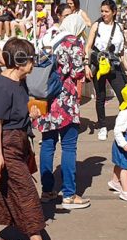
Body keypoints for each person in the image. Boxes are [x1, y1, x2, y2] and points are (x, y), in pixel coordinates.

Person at [0, 38, 63, 240]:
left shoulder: (20, 82)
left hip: (17, 141)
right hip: (4, 144)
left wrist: (32, 112)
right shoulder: (2, 85)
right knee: (26, 192)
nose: (33, 63)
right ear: (19, 62)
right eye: (30, 59)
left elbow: (18, 108)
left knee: (1, 189)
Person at [35, 16, 90, 209]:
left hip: (45, 97)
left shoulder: (45, 38)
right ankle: (69, 194)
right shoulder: (72, 42)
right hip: (65, 98)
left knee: (47, 145)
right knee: (68, 146)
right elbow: (77, 72)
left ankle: (47, 190)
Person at [84, 0, 127, 141]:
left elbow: (121, 53)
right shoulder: (97, 25)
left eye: (106, 11)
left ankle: (124, 126)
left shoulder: (119, 27)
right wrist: (86, 65)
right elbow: (88, 46)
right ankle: (102, 126)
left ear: (114, 12)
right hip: (99, 65)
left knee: (123, 96)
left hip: (114, 65)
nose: (103, 14)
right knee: (100, 96)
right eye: (102, 11)